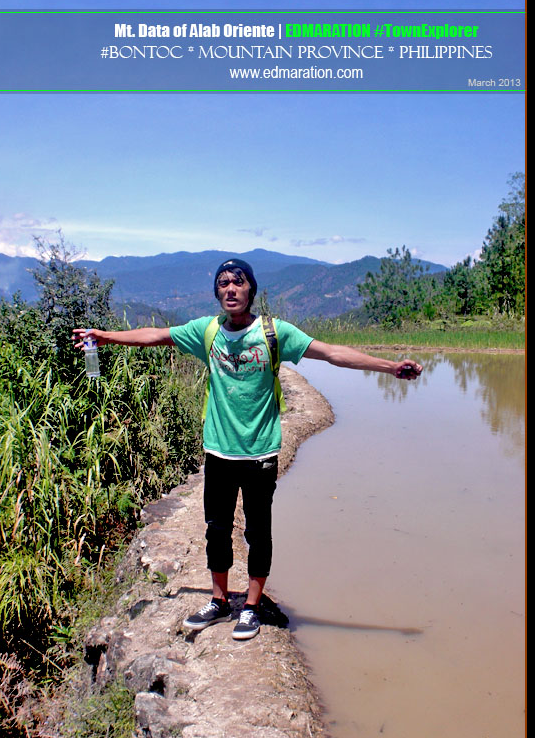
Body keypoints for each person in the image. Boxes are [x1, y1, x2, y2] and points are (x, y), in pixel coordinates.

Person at [72, 258, 422, 641]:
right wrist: (106, 337)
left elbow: (331, 353)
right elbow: (157, 335)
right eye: (223, 284)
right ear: (217, 292)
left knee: (258, 531)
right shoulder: (206, 331)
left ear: (250, 290)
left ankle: (252, 606)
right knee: (217, 530)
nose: (230, 290)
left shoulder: (274, 332)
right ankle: (219, 600)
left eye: (238, 283)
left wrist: (388, 367)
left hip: (259, 455)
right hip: (219, 452)